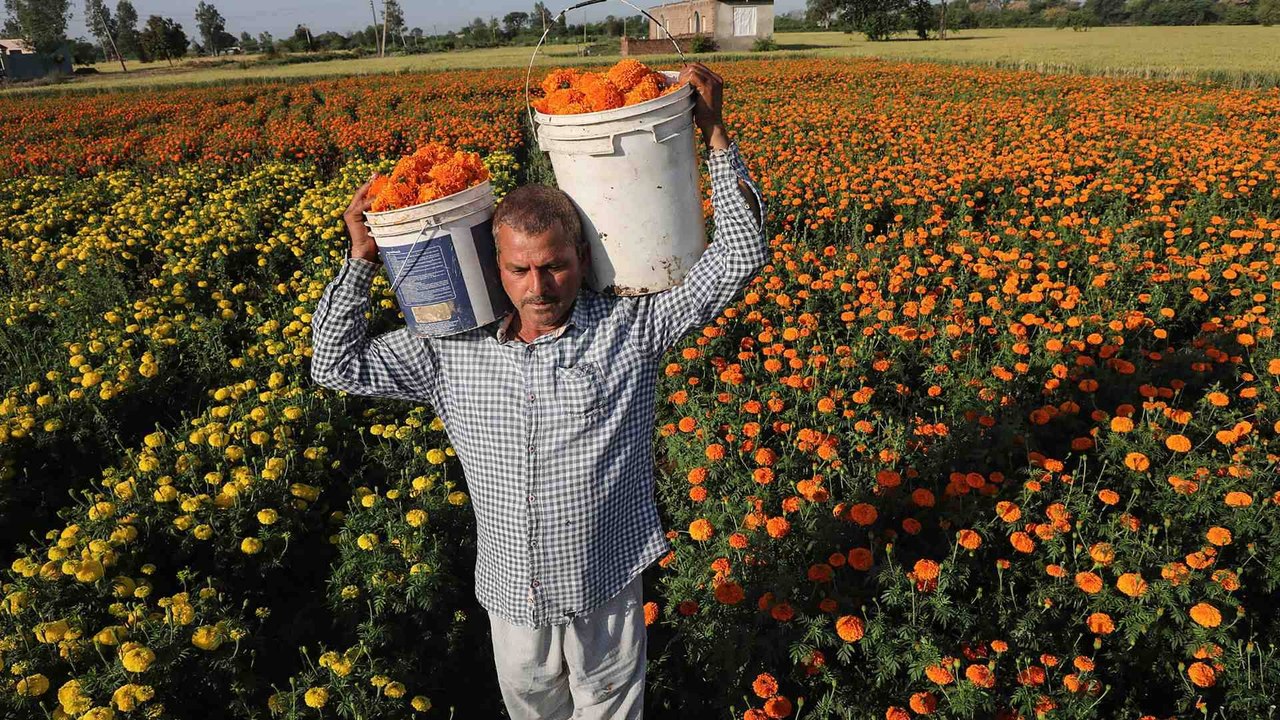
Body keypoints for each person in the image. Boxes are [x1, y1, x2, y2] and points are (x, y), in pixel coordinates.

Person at [310, 62, 765, 720]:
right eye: (520, 269)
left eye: (554, 265)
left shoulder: (630, 328)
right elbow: (335, 363)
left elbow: (739, 257)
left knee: (609, 707)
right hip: (510, 591)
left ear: (581, 255)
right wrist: (360, 258)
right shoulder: (450, 351)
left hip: (605, 577)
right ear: (496, 267)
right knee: (533, 710)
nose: (539, 286)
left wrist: (716, 133)